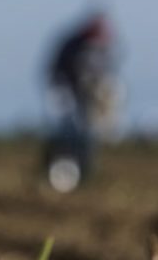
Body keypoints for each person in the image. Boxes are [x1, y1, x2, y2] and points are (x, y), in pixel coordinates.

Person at [43, 11, 118, 192]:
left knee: (88, 134)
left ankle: (84, 172)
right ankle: (55, 169)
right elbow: (57, 73)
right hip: (65, 91)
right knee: (67, 132)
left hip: (87, 96)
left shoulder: (103, 47)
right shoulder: (72, 45)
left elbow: (105, 75)